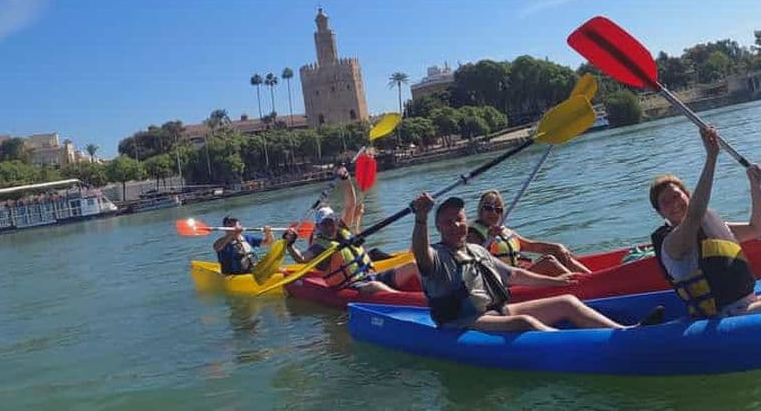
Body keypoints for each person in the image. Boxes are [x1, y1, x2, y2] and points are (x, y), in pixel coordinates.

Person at [411, 194, 664, 332]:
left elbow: (514, 276)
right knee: (526, 323)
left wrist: (555, 281)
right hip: (464, 321)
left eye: (459, 219)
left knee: (567, 302)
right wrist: (421, 217)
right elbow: (421, 253)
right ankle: (587, 348)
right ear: (438, 228)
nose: (456, 225)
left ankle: (626, 332)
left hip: (499, 310)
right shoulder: (436, 256)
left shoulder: (477, 249)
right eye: (447, 222)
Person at [650, 126, 761, 318]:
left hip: (749, 303)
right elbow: (694, 215)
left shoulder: (710, 225)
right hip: (724, 317)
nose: (674, 204)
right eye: (665, 202)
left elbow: (756, 228)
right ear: (660, 213)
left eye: (677, 196)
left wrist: (754, 184)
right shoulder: (671, 245)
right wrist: (711, 157)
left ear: (688, 196)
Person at [284, 166, 418, 293]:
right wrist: (290, 245)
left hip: (371, 275)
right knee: (374, 286)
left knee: (413, 265)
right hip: (351, 286)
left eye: (331, 222)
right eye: (325, 224)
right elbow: (301, 258)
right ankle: (406, 300)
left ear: (335, 222)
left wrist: (346, 179)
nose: (329, 227)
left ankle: (431, 291)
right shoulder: (319, 247)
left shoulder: (341, 228)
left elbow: (351, 204)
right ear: (318, 226)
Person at [467, 190, 591, 276]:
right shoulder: (474, 234)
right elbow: (476, 260)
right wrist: (490, 238)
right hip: (505, 281)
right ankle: (582, 284)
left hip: (521, 273)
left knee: (558, 253)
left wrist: (557, 247)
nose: (493, 213)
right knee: (549, 262)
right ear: (481, 209)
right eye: (489, 208)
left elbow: (532, 246)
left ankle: (591, 277)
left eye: (498, 209)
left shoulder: (505, 231)